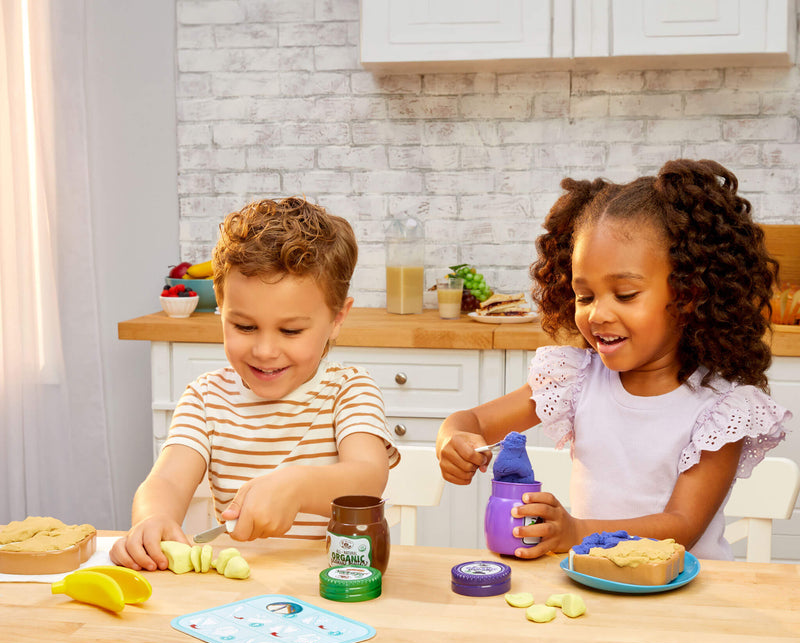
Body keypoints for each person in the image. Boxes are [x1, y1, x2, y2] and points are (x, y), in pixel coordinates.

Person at [437, 159, 791, 560]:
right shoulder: (574, 379)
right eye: (584, 296)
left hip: (688, 604)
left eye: (624, 295)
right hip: (597, 591)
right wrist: (454, 438)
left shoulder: (721, 409)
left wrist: (575, 532)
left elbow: (682, 526)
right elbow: (474, 421)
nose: (597, 314)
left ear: (689, 294)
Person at [112, 197, 398, 570]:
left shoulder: (349, 390)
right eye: (244, 326)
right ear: (221, 308)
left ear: (337, 318)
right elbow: (165, 480)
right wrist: (152, 521)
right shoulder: (206, 398)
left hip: (331, 589)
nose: (264, 351)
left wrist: (295, 487)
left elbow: (368, 477)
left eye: (291, 330)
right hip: (239, 599)